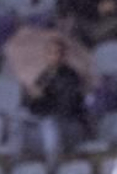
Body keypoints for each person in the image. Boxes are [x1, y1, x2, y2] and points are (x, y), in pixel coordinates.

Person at [24, 36, 89, 165]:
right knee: (19, 121)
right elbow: (34, 109)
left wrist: (44, 96)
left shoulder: (71, 76)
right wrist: (32, 99)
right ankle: (19, 169)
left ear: (64, 55)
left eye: (57, 52)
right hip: (48, 126)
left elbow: (66, 108)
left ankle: (53, 169)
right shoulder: (43, 77)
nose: (54, 56)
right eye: (50, 52)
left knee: (50, 124)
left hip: (70, 126)